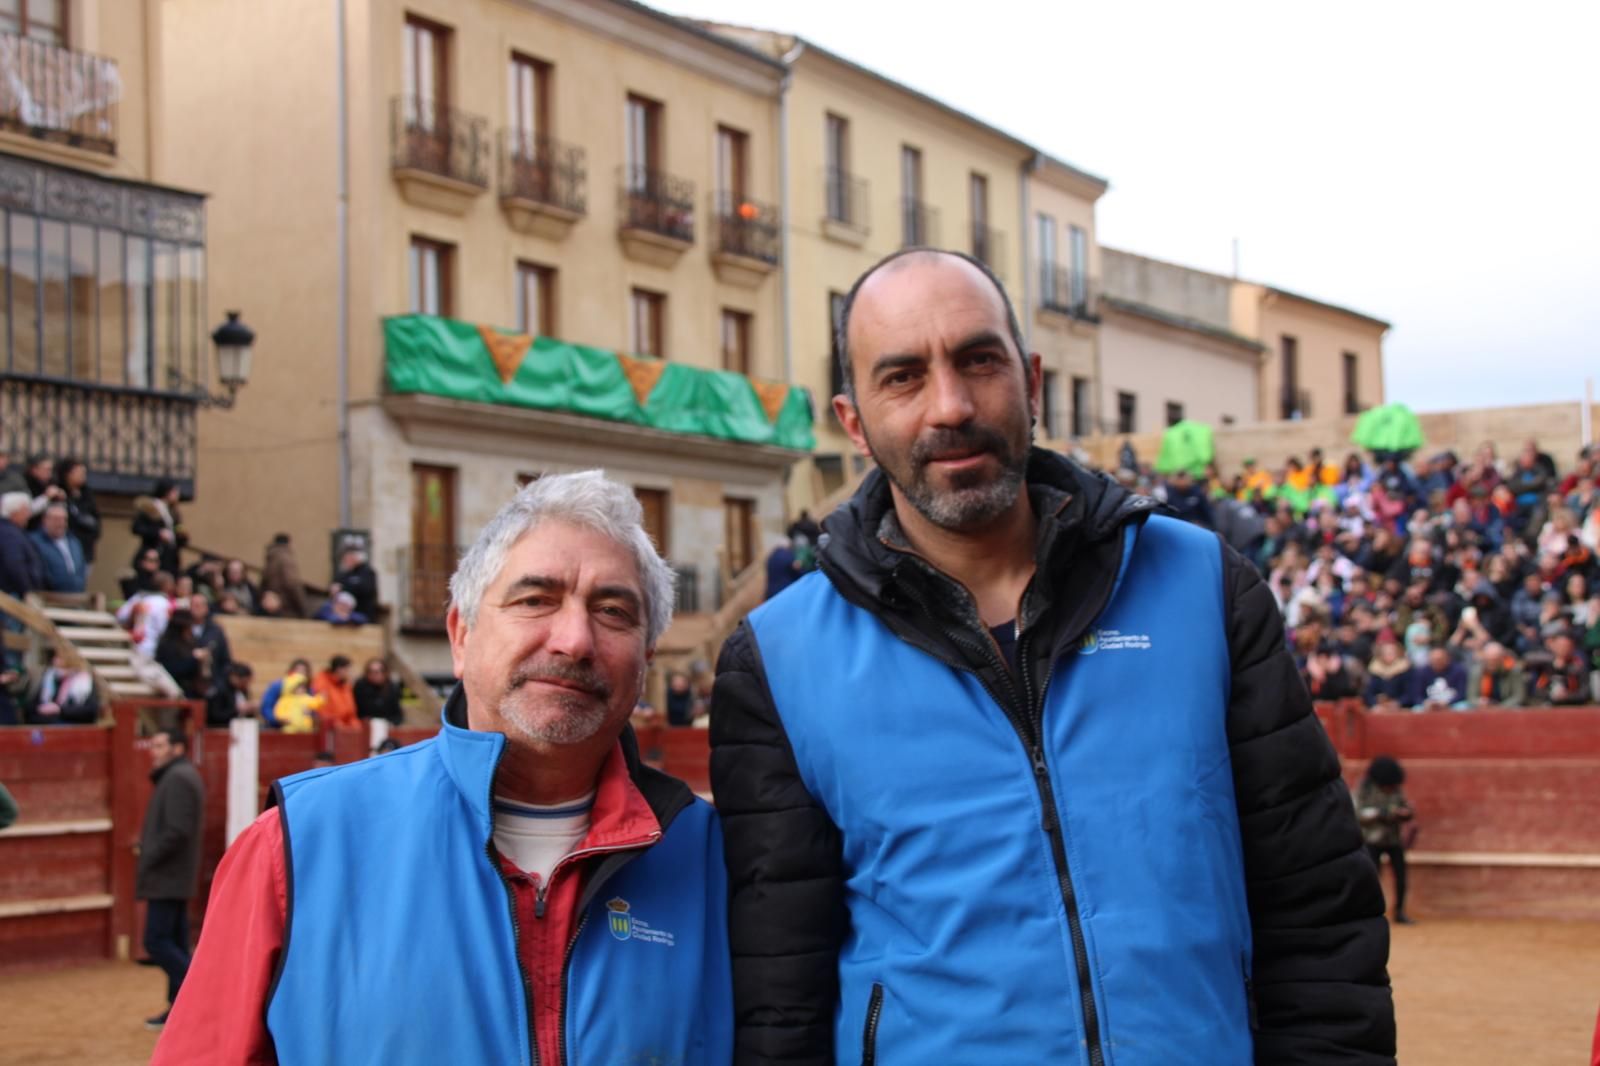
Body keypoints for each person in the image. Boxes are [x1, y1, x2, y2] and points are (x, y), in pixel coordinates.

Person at [711, 249, 1393, 1064]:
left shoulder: (1205, 588)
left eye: (978, 360)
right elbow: (779, 998)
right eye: (903, 377)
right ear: (854, 420)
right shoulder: (777, 659)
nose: (951, 405)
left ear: (1031, 381)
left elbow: (1318, 913)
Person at [154, 471, 732, 1065]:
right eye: (535, 600)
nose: (574, 639)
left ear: (646, 659)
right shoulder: (295, 847)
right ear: (461, 635)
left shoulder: (714, 861)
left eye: (613, 611)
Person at [138, 728, 206, 1030]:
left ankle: (202, 995)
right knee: (175, 940)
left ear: (178, 748)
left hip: (168, 874)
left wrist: (149, 856)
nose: (154, 750)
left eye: (160, 745)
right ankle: (180, 1008)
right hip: (174, 873)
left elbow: (177, 831)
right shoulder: (179, 776)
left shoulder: (178, 778)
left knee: (157, 940)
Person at [1355, 755, 1416, 925]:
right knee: (1373, 877)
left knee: (1401, 876)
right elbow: (1358, 813)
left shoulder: (1396, 790)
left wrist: (1406, 813)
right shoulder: (1365, 789)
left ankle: (1399, 911)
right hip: (1372, 839)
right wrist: (1382, 814)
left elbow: (1406, 807)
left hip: (1393, 839)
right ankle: (1370, 912)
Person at [27, 647, 98, 725]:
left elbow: (90, 710)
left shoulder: (84, 681)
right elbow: (32, 705)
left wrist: (59, 710)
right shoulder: (50, 677)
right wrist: (41, 708)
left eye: (58, 658)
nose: (54, 660)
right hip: (46, 721)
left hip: (71, 723)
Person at [132, 479, 188, 576]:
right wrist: (158, 532)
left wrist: (181, 535)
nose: (177, 494)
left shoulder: (173, 512)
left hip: (170, 556)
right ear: (167, 492)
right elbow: (137, 528)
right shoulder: (151, 508)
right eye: (175, 491)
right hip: (155, 552)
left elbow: (175, 529)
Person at [29, 502, 87, 593]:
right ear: (45, 520)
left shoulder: (74, 542)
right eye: (56, 519)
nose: (60, 523)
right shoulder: (34, 541)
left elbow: (82, 568)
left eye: (64, 519)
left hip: (76, 597)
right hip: (48, 597)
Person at [118, 572, 176, 660]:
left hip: (130, 643)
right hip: (149, 647)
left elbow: (120, 616)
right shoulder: (163, 603)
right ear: (167, 586)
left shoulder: (138, 597)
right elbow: (162, 629)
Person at [54, 457, 100, 569]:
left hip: (85, 548)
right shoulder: (58, 493)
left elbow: (96, 520)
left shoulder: (86, 494)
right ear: (67, 474)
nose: (83, 476)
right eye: (79, 472)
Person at [155, 608, 209, 700]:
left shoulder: (191, 642)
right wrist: (193, 659)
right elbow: (172, 669)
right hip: (175, 690)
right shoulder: (167, 644)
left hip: (193, 691)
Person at [0, 491, 43, 598]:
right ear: (15, 512)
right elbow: (14, 563)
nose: (28, 514)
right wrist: (26, 591)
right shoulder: (9, 534)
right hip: (11, 595)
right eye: (25, 510)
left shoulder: (10, 531)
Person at [1466, 642, 1527, 707]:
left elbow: (1519, 696)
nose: (1491, 664)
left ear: (1501, 659)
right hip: (1483, 707)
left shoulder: (1513, 671)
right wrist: (1480, 702)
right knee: (1462, 707)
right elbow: (1471, 697)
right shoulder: (1476, 672)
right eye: (1488, 660)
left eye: (1495, 660)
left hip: (1506, 706)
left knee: (1517, 707)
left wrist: (1501, 707)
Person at [1408, 645, 1468, 710]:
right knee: (1416, 709)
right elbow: (1416, 695)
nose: (1438, 662)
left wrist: (1448, 703)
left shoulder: (1458, 671)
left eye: (1440, 659)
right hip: (1429, 705)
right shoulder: (1421, 672)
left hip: (1452, 704)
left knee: (1463, 707)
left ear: (1447, 659)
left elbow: (1462, 693)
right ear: (1429, 659)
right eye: (1435, 660)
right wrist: (1425, 702)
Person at [262, 533, 307, 618]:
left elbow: (263, 584)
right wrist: (303, 609)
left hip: (271, 607)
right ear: (289, 543)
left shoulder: (270, 557)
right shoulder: (286, 559)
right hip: (286, 608)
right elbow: (293, 584)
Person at [259, 658, 313, 728]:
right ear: (291, 672)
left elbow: (314, 706)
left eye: (303, 671)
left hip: (301, 727)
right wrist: (277, 719)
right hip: (277, 727)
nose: (300, 674)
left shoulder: (309, 690)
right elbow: (266, 707)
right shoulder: (278, 686)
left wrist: (310, 715)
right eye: (298, 671)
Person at [186, 594, 232, 676]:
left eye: (200, 605)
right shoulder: (181, 628)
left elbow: (225, 660)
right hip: (186, 676)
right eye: (194, 605)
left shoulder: (216, 631)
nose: (197, 609)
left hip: (210, 678)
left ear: (206, 608)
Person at [332, 547, 379, 620]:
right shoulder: (343, 575)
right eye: (345, 559)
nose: (347, 561)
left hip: (361, 612)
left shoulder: (367, 572)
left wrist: (343, 588)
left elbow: (366, 589)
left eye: (350, 557)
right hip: (341, 613)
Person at [352, 657, 403, 724]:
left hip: (386, 725)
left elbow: (397, 714)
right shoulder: (360, 687)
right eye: (370, 672)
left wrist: (389, 722)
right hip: (364, 726)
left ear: (385, 673)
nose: (373, 675)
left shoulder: (392, 688)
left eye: (377, 672)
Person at [311, 655, 358, 728]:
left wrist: (354, 724)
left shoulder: (345, 685)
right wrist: (335, 723)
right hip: (329, 727)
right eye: (347, 670)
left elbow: (350, 711)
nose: (349, 673)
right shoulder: (322, 682)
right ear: (339, 669)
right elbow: (321, 709)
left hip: (344, 728)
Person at [207, 662, 258, 727]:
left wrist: (250, 710)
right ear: (234, 677)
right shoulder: (219, 690)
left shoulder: (242, 690)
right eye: (243, 682)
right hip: (220, 728)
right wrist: (237, 710)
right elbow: (214, 715)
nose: (245, 685)